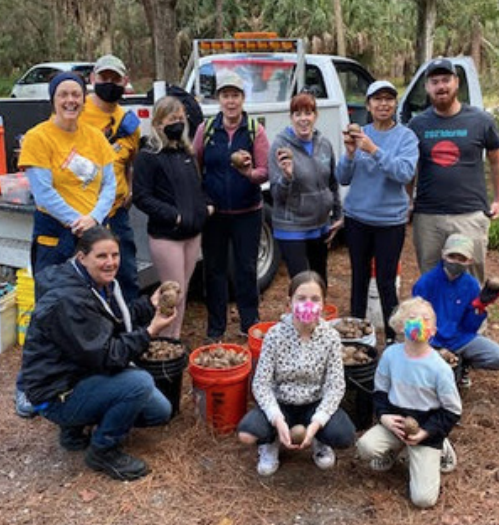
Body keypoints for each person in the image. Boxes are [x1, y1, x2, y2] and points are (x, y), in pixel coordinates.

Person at [20, 226, 176, 481]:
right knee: (139, 383)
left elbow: (113, 320)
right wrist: (150, 332)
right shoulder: (69, 299)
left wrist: (149, 305)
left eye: (115, 255)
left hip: (78, 374)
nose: (110, 262)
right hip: (57, 392)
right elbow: (108, 356)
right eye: (101, 256)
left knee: (159, 411)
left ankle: (75, 427)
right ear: (82, 257)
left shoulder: (94, 283)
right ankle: (103, 450)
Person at [15, 71, 116, 418]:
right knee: (48, 312)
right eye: (64, 95)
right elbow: (43, 192)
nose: (71, 101)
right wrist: (78, 221)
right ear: (53, 99)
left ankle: (81, 376)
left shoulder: (95, 137)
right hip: (56, 235)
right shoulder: (38, 137)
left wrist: (94, 219)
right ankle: (29, 387)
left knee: (91, 307)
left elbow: (110, 184)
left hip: (93, 234)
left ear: (84, 99)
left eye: (76, 94)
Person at [237, 271, 356, 476]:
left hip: (314, 403)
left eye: (315, 299)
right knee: (247, 434)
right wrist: (276, 418)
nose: (307, 304)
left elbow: (336, 385)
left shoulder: (331, 337)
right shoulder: (275, 335)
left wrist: (317, 422)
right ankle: (270, 442)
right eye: (301, 298)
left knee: (344, 435)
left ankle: (319, 439)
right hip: (281, 403)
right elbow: (261, 383)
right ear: (289, 303)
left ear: (323, 304)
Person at [356, 297, 462, 508]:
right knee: (365, 447)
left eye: (426, 319)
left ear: (433, 330)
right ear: (400, 326)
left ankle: (441, 446)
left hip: (426, 428)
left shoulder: (439, 368)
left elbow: (452, 411)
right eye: (412, 318)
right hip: (396, 424)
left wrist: (427, 432)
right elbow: (380, 392)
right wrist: (384, 417)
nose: (419, 323)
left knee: (423, 499)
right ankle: (394, 449)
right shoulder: (390, 356)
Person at [409, 58, 499, 284]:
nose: (441, 86)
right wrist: (408, 201)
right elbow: (410, 167)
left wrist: (498, 200)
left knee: (470, 281)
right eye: (435, 82)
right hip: (428, 217)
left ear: (457, 82)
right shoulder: (417, 125)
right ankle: (435, 311)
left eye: (446, 80)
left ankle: (472, 310)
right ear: (427, 87)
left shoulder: (481, 120)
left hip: (469, 214)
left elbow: (496, 162)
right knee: (430, 280)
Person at [336, 80, 419, 345]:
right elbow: (342, 177)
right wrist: (350, 154)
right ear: (369, 105)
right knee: (358, 279)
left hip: (389, 222)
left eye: (388, 99)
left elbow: (404, 173)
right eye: (377, 99)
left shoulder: (406, 137)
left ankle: (393, 339)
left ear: (395, 104)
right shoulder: (360, 134)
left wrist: (373, 150)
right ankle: (357, 336)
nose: (383, 104)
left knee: (385, 282)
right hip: (357, 219)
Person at [193, 70, 270, 341]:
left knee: (246, 270)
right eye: (225, 95)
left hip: (248, 213)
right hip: (215, 215)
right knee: (214, 271)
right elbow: (196, 166)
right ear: (219, 99)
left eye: (235, 95)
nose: (230, 101)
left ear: (242, 98)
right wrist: (203, 199)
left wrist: (249, 173)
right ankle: (216, 328)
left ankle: (249, 323)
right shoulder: (206, 130)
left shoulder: (254, 130)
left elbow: (265, 171)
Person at [132, 96, 210, 338]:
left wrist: (205, 207)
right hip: (167, 236)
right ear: (158, 123)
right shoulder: (148, 155)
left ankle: (174, 339)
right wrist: (173, 216)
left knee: (182, 291)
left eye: (180, 118)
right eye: (171, 118)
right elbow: (141, 197)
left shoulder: (186, 152)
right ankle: (164, 340)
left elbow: (197, 186)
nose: (178, 123)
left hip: (192, 233)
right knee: (171, 294)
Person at [412, 233, 499, 387]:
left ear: (470, 261)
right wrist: (434, 347)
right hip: (430, 341)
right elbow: (415, 322)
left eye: (462, 258)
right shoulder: (425, 283)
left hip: (459, 339)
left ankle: (463, 363)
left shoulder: (471, 284)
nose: (456, 262)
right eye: (452, 256)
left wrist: (479, 306)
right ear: (443, 255)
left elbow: (469, 328)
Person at [82, 54, 142, 304]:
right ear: (92, 79)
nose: (109, 83)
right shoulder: (77, 112)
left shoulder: (129, 123)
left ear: (125, 82)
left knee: (126, 273)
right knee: (85, 280)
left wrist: (129, 189)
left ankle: (129, 321)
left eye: (114, 79)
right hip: (84, 215)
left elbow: (130, 162)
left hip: (117, 213)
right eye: (103, 77)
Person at [268, 91, 343, 285]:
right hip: (292, 227)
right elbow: (277, 195)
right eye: (298, 114)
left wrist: (337, 215)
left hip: (320, 226)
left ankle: (319, 307)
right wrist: (287, 177)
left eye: (308, 113)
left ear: (315, 116)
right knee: (302, 285)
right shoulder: (280, 146)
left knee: (320, 282)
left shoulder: (324, 144)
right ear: (291, 117)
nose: (303, 119)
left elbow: (332, 183)